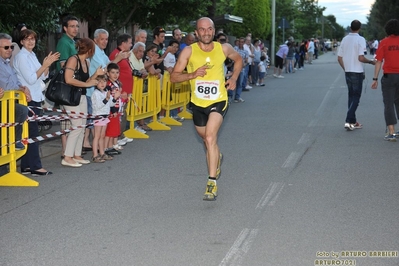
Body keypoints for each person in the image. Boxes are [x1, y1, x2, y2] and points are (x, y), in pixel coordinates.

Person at [170, 17, 243, 201]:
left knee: (210, 137)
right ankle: (216, 157)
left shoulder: (223, 48)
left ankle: (211, 182)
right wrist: (193, 74)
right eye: (202, 30)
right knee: (206, 140)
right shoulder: (188, 51)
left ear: (213, 30)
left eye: (209, 29)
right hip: (198, 103)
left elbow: (238, 59)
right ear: (196, 32)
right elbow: (174, 77)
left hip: (218, 100)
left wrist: (233, 77)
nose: (206, 32)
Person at [13, 29, 60, 176]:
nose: (31, 41)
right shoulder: (21, 57)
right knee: (32, 133)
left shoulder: (32, 55)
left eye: (33, 38)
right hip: (28, 98)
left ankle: (27, 166)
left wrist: (47, 65)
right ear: (21, 41)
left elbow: (42, 76)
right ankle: (35, 166)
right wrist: (45, 65)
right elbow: (32, 78)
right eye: (27, 39)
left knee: (30, 132)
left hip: (36, 96)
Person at [61, 38, 103, 167]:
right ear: (90, 50)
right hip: (70, 96)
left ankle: (77, 154)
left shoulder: (87, 62)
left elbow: (88, 81)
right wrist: (86, 83)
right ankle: (67, 156)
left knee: (82, 125)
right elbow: (68, 79)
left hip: (82, 96)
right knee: (77, 124)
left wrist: (96, 75)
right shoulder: (73, 59)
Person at [338, 20, 376, 131]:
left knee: (351, 96)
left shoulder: (345, 39)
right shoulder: (360, 39)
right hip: (357, 72)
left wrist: (346, 68)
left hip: (348, 71)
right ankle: (348, 120)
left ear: (350, 28)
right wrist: (371, 62)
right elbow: (361, 57)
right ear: (360, 28)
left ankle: (353, 121)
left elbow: (339, 58)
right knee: (356, 97)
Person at [0, 33, 29, 177]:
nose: (10, 50)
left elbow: (14, 83)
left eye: (11, 47)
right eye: (6, 47)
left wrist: (22, 88)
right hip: (3, 104)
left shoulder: (6, 64)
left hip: (9, 102)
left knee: (21, 111)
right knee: (21, 110)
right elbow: (6, 86)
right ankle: (15, 141)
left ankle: (5, 168)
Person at [371, 19, 399, 141]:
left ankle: (391, 132)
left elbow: (378, 61)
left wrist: (375, 78)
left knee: (388, 103)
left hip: (389, 76)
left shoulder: (384, 42)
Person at [56, 15, 80, 159]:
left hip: (71, 83)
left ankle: (69, 150)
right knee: (66, 118)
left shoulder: (72, 42)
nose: (75, 29)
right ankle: (65, 150)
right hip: (65, 84)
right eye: (72, 26)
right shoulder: (64, 42)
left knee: (68, 118)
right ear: (65, 28)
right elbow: (63, 64)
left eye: (77, 26)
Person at [108, 33, 134, 144]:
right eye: (130, 42)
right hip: (119, 91)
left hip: (125, 90)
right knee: (118, 114)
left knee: (123, 113)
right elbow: (110, 69)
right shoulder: (115, 54)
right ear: (123, 43)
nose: (131, 45)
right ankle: (116, 137)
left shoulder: (124, 55)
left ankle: (120, 134)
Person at [91, 75, 113, 162]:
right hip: (98, 116)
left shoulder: (105, 92)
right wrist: (107, 99)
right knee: (97, 136)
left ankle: (102, 152)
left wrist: (114, 98)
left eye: (104, 81)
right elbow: (98, 106)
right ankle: (95, 155)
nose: (102, 84)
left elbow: (110, 104)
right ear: (96, 83)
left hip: (105, 116)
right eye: (99, 82)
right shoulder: (96, 93)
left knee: (102, 136)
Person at [104, 63, 123, 154]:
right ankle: (106, 147)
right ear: (107, 73)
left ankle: (110, 146)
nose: (115, 75)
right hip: (111, 110)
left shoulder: (117, 83)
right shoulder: (108, 85)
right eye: (113, 72)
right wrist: (113, 110)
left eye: (117, 72)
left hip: (117, 108)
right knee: (109, 130)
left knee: (113, 130)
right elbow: (109, 99)